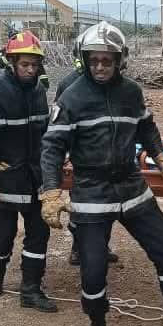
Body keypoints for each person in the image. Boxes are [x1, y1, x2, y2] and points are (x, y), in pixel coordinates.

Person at [40, 21, 163, 326]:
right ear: (85, 59)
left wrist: (160, 159)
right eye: (94, 60)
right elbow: (51, 147)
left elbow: (147, 127)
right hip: (91, 192)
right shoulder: (72, 97)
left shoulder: (131, 93)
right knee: (93, 269)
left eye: (107, 61)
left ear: (120, 60)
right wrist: (51, 192)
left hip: (131, 185)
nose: (100, 67)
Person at [0, 31, 56, 313]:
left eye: (34, 65)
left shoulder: (39, 91)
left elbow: (47, 134)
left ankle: (30, 288)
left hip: (35, 178)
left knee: (39, 234)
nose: (30, 70)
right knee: (3, 234)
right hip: (5, 178)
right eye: (24, 65)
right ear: (11, 62)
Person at [52, 57, 118, 267]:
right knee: (81, 209)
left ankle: (101, 246)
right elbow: (60, 126)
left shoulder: (112, 84)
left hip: (107, 159)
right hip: (80, 159)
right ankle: (77, 249)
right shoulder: (69, 84)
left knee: (107, 207)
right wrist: (65, 157)